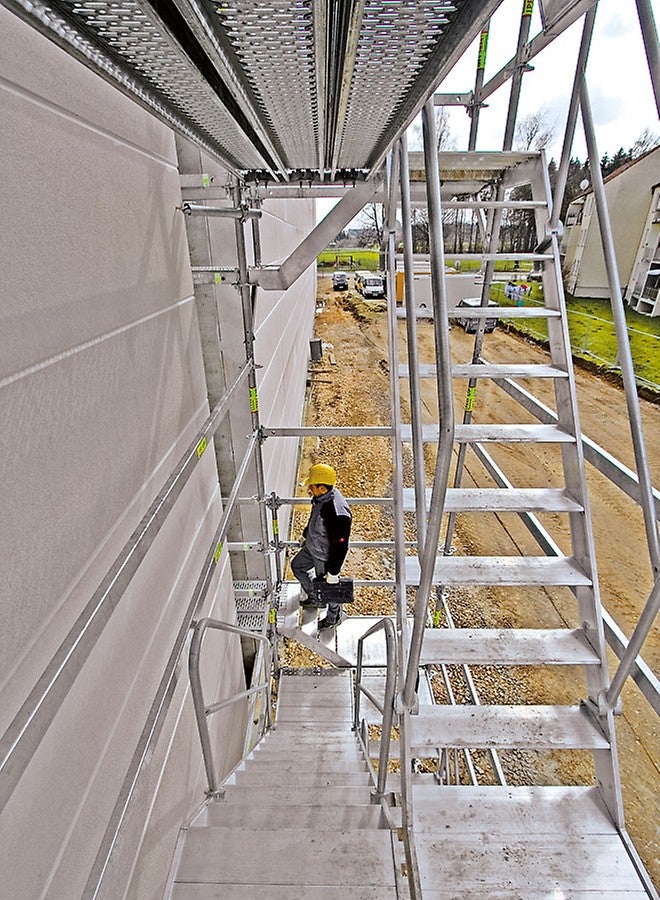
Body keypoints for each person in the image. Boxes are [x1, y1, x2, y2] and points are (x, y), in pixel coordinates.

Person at [291, 463, 352, 631]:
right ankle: (317, 597)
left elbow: (341, 545)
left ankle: (334, 617)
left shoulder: (337, 512)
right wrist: (307, 535)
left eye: (312, 485)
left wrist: (333, 572)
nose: (309, 488)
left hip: (324, 557)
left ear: (322, 487)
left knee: (329, 588)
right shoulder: (322, 499)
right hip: (312, 547)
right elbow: (316, 520)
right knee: (297, 566)